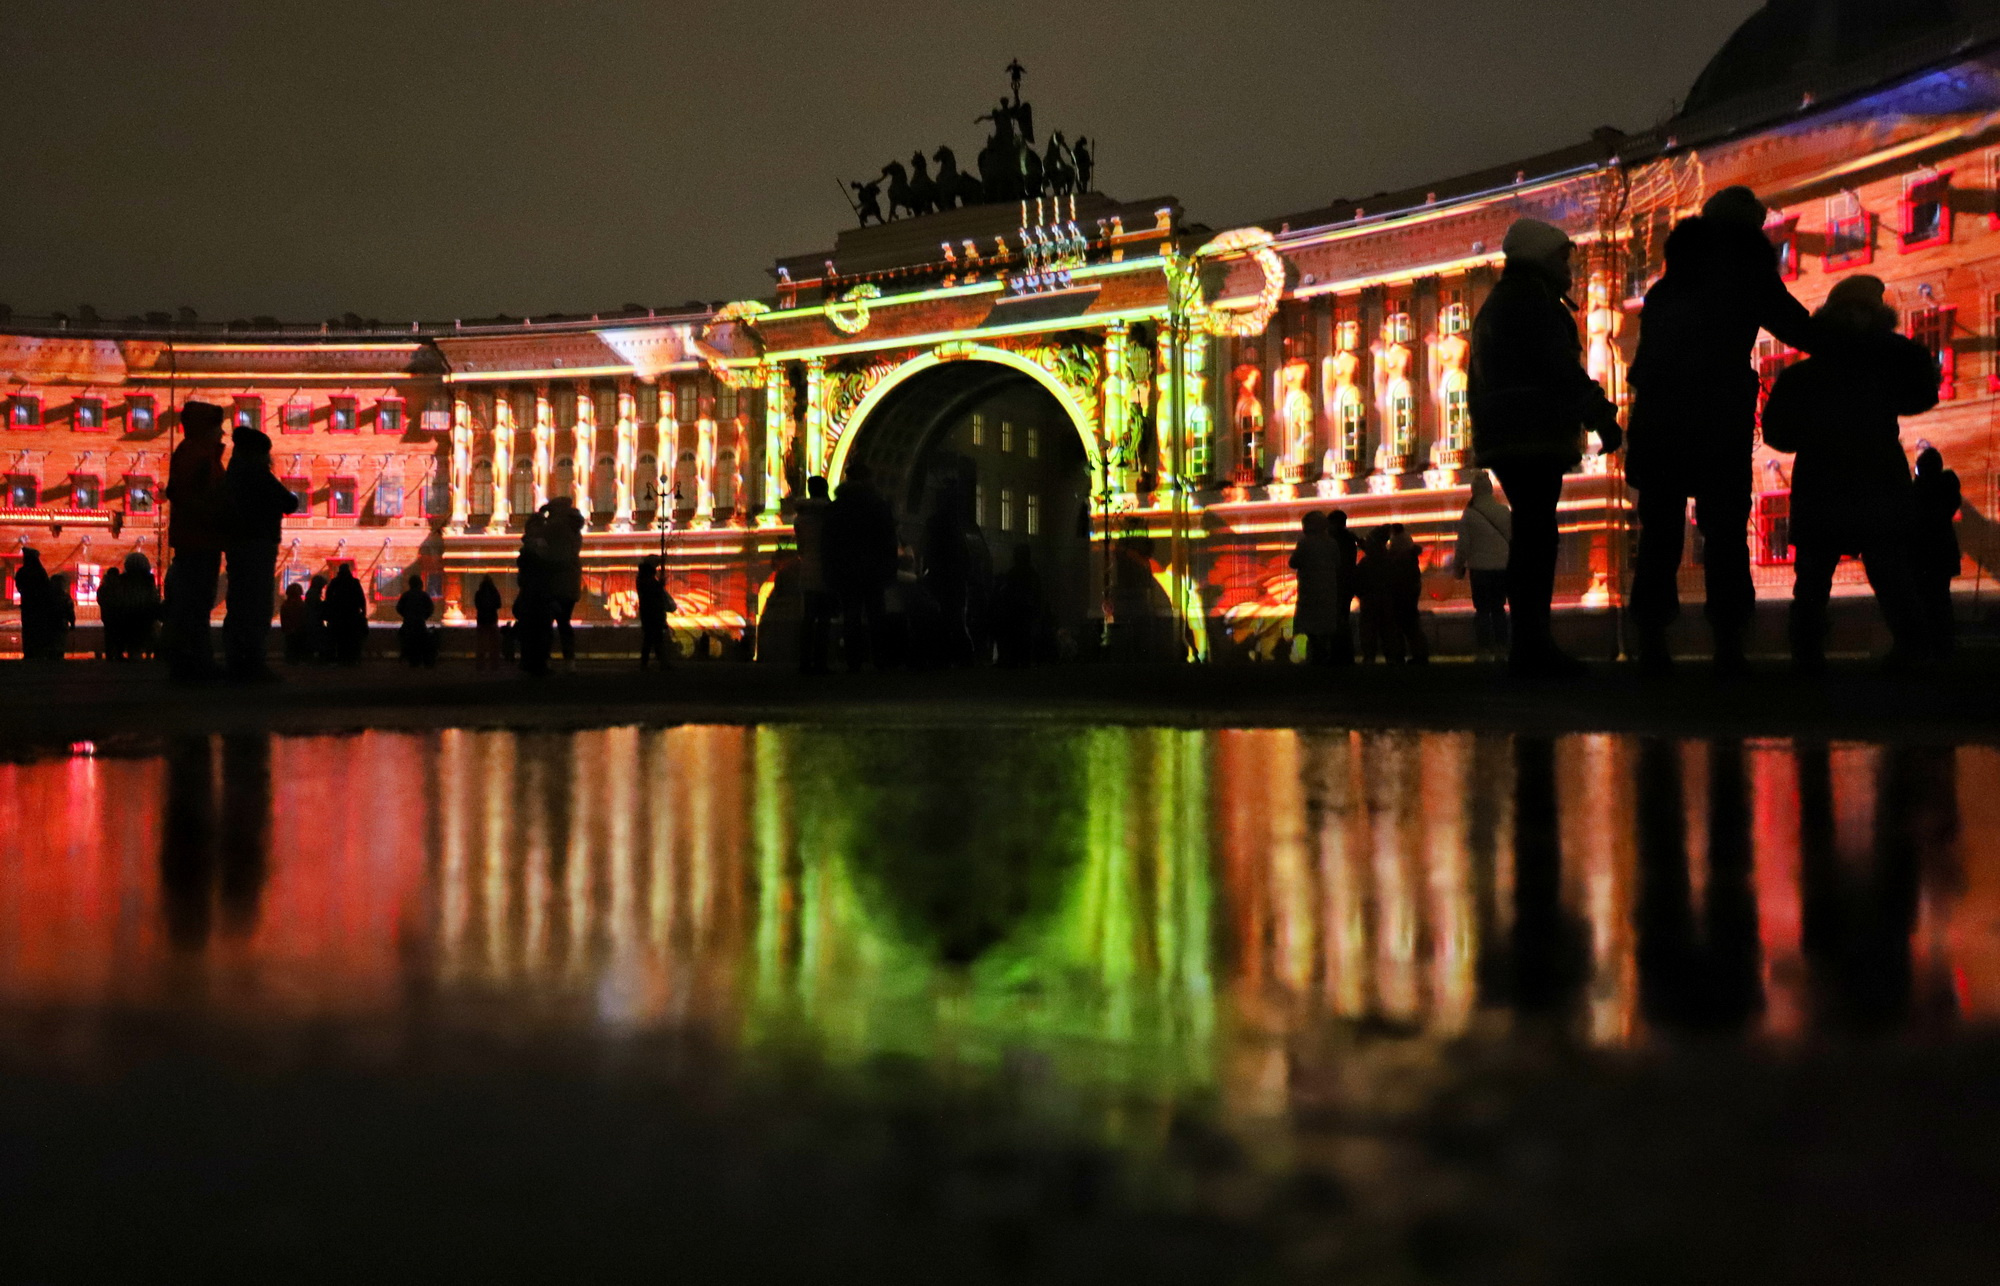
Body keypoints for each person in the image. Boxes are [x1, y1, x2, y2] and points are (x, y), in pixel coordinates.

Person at [1628, 185, 1819, 675]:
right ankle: (1729, 643)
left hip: (1658, 421)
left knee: (1660, 535)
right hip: (1715, 416)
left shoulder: (1664, 288)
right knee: (1725, 531)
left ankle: (1651, 640)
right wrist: (1846, 340)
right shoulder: (1745, 272)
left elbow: (1644, 364)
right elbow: (1796, 326)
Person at [1468, 217, 1622, 676]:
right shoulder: (1533, 302)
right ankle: (1533, 646)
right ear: (1541, 258)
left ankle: (1530, 644)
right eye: (1561, 259)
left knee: (1534, 533)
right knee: (1538, 536)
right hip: (1530, 435)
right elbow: (1558, 368)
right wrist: (1599, 414)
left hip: (1507, 435)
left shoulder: (1503, 301)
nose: (1569, 270)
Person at [1760, 275, 1935, 673]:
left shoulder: (1820, 372)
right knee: (1819, 577)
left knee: (1879, 570)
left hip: (1844, 480)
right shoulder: (1852, 369)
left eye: (1863, 311)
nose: (1856, 318)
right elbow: (1779, 431)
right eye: (1850, 311)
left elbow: (1922, 392)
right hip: (1856, 479)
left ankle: (1903, 647)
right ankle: (1810, 653)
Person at [221, 425, 299, 679]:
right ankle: (253, 661)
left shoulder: (233, 472)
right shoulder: (256, 474)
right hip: (259, 545)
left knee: (239, 602)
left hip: (237, 544)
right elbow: (290, 502)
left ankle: (236, 660)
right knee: (256, 604)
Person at [163, 400, 229, 679]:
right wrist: (217, 514)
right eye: (217, 428)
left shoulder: (199, 454)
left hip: (200, 538)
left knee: (196, 602)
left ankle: (193, 660)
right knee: (196, 603)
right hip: (199, 539)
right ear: (206, 428)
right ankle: (195, 662)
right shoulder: (197, 455)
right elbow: (188, 496)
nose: (222, 434)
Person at [825, 464, 898, 671]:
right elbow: (888, 541)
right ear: (869, 479)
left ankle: (853, 661)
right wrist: (889, 569)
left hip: (846, 571)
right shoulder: (879, 505)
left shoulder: (836, 507)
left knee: (851, 616)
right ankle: (880, 659)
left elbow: (829, 543)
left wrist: (831, 572)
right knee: (877, 616)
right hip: (874, 571)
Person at [1453, 470, 1513, 661]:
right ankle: (1502, 647)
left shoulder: (1469, 515)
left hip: (1479, 569)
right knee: (1498, 609)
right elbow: (1513, 539)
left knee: (1482, 610)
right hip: (1502, 569)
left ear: (1474, 492)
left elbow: (1463, 545)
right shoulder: (1504, 511)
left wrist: (1458, 567)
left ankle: (1484, 648)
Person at [1912, 446, 1963, 659]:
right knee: (1941, 599)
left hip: (1924, 556)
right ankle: (1944, 644)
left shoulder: (1921, 490)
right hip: (1942, 553)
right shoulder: (1947, 486)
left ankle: (1932, 645)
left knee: (1928, 601)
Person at [1289, 510, 1354, 666]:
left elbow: (1293, 562)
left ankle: (1316, 655)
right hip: (1329, 590)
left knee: (1311, 625)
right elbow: (1338, 563)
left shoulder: (1305, 542)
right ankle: (1324, 654)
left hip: (1309, 590)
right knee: (1326, 625)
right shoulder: (1331, 543)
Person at [793, 476, 835, 674]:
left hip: (808, 569)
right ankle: (821, 662)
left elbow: (800, 548)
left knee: (808, 618)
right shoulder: (830, 514)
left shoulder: (800, 517)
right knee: (824, 619)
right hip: (827, 569)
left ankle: (803, 661)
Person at [514, 509, 556, 676]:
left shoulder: (531, 547)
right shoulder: (536, 547)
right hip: (537, 595)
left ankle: (533, 661)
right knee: (538, 630)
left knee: (536, 630)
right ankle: (535, 662)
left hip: (534, 595)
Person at [546, 499, 585, 665]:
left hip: (554, 585)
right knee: (564, 623)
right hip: (570, 586)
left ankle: (544, 658)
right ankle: (570, 661)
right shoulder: (574, 528)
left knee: (547, 623)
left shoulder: (557, 528)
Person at [1385, 524, 1430, 665]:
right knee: (1411, 624)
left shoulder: (1397, 554)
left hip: (1400, 592)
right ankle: (1419, 653)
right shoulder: (1410, 554)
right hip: (1410, 591)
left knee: (1400, 624)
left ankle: (1400, 654)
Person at [992, 544, 1042, 668]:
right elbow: (1038, 594)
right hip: (1024, 612)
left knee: (1017, 638)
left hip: (1016, 612)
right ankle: (1022, 660)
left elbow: (1006, 592)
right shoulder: (1031, 574)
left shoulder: (1014, 574)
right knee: (1024, 638)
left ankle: (1014, 660)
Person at [1355, 527, 1393, 664]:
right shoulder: (1389, 559)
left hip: (1369, 603)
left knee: (1369, 637)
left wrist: (1361, 595)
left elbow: (1357, 581)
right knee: (1388, 636)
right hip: (1387, 604)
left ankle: (1369, 659)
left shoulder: (1367, 562)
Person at [636, 555, 676, 670]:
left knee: (650, 639)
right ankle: (661, 663)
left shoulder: (642, 578)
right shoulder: (647, 580)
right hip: (653, 613)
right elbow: (654, 593)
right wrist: (660, 584)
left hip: (648, 613)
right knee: (656, 639)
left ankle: (648, 663)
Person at [324, 563, 369, 664]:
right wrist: (363, 614)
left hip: (338, 616)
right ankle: (351, 659)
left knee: (339, 639)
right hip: (352, 616)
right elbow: (361, 599)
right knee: (351, 639)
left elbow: (328, 599)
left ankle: (341, 658)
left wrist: (329, 614)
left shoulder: (334, 583)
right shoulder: (354, 583)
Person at [119, 551, 161, 661]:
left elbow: (121, 596)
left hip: (130, 613)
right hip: (145, 613)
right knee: (146, 637)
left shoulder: (124, 581)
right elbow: (153, 597)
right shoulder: (148, 581)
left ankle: (134, 658)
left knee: (133, 643)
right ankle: (146, 655)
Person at [15, 548, 53, 660]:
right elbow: (46, 587)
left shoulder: (22, 571)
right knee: (38, 628)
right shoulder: (40, 571)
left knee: (28, 629)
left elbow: (19, 586)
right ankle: (39, 651)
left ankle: (29, 652)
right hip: (40, 605)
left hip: (28, 605)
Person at [395, 575, 436, 666]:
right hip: (420, 625)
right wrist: (423, 617)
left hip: (408, 625)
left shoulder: (406, 595)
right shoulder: (424, 595)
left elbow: (399, 608)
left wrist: (406, 615)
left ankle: (408, 658)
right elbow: (430, 608)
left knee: (408, 642)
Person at [473, 575, 504, 671]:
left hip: (481, 620)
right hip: (492, 620)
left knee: (481, 644)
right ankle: (494, 665)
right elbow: (499, 605)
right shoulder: (494, 592)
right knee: (493, 645)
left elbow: (477, 605)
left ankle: (480, 665)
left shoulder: (479, 593)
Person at [96, 565, 125, 660]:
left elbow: (101, 600)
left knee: (110, 635)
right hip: (117, 614)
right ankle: (117, 654)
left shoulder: (104, 587)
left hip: (108, 614)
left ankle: (110, 654)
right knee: (118, 635)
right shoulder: (119, 586)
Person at [279, 582, 311, 663]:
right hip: (297, 630)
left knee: (291, 647)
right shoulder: (300, 605)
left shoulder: (285, 605)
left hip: (292, 630)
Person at [302, 573, 331, 663]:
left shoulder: (311, 592)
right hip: (313, 621)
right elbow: (316, 607)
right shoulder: (313, 594)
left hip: (312, 620)